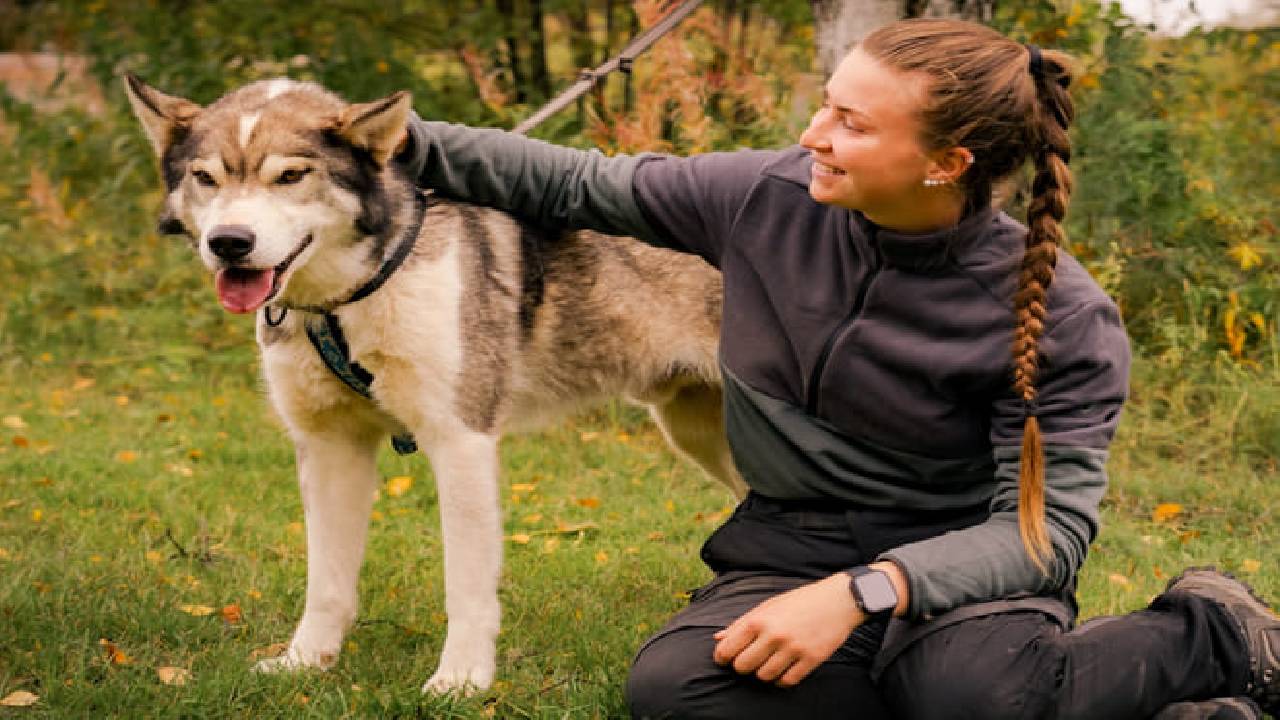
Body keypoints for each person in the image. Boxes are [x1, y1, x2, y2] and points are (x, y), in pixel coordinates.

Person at [395, 18, 1279, 720]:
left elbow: (1041, 538)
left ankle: (1211, 635)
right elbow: (572, 183)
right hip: (791, 545)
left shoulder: (1065, 317)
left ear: (946, 164)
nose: (814, 134)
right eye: (826, 105)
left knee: (973, 699)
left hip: (959, 558)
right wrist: (389, 139)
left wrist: (865, 595)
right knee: (677, 693)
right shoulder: (761, 199)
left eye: (852, 123)